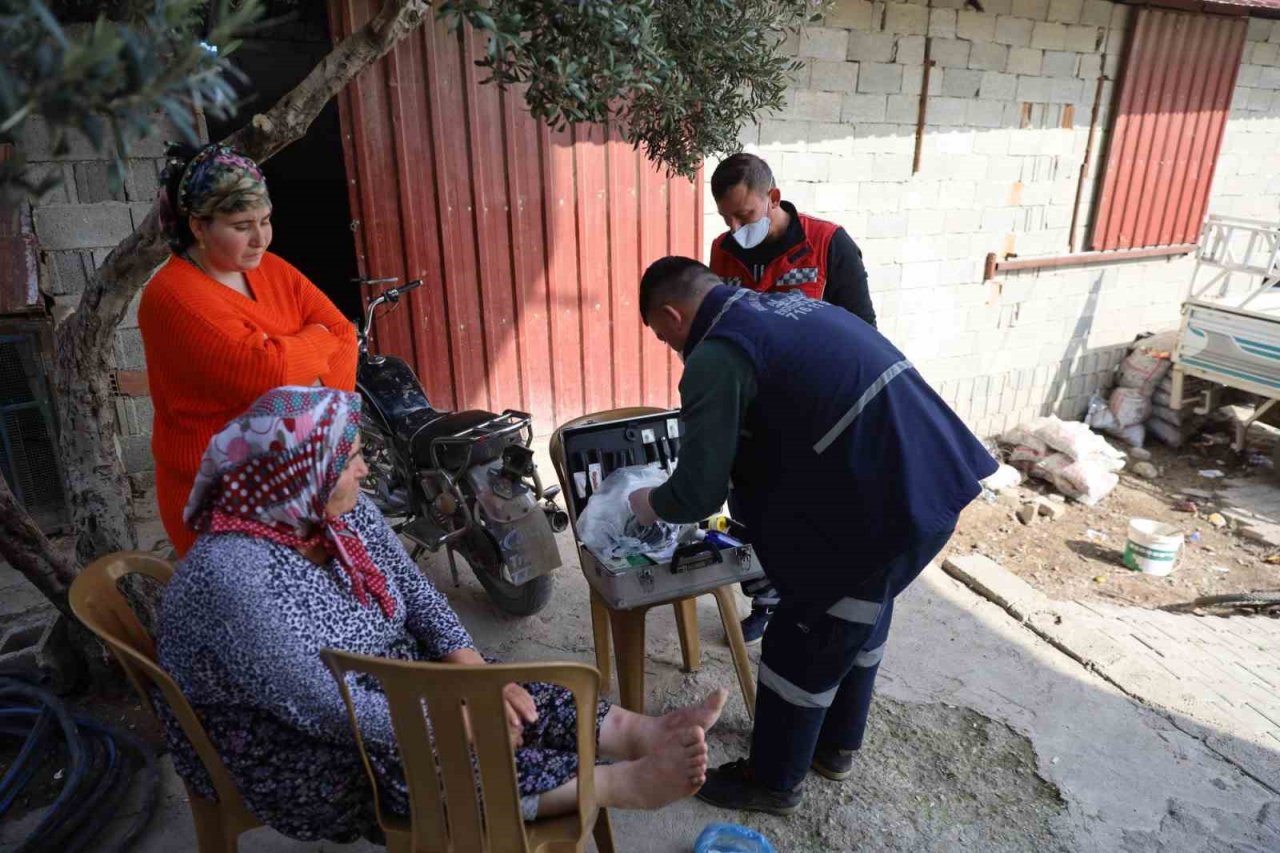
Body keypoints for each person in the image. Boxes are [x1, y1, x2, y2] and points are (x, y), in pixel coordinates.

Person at [155, 386, 726, 842]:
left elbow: (419, 596)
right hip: (293, 745)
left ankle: (641, 733)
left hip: (379, 676)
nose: (363, 473)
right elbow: (325, 710)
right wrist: (456, 721)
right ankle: (613, 783)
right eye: (349, 462)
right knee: (425, 767)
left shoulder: (334, 516)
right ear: (300, 478)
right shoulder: (234, 577)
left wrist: (474, 674)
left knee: (513, 688)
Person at [627, 258, 995, 815]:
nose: (670, 346)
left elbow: (699, 495)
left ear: (672, 315)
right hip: (934, 478)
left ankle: (772, 781)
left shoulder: (718, 354)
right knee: (862, 615)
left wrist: (649, 502)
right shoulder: (785, 305)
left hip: (878, 507)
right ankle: (835, 749)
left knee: (804, 637)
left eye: (662, 335)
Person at [138, 142, 358, 557]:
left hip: (298, 482)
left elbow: (343, 332)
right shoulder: (174, 296)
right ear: (200, 227)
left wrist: (297, 362)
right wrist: (310, 353)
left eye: (266, 220)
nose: (261, 239)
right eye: (241, 226)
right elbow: (267, 371)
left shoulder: (272, 269)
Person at [709, 152, 876, 643]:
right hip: (753, 412)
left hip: (815, 411)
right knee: (749, 511)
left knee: (812, 513)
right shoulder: (723, 252)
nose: (736, 227)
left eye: (745, 215)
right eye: (726, 218)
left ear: (773, 198)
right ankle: (765, 598)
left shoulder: (828, 243)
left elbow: (861, 329)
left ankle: (811, 603)